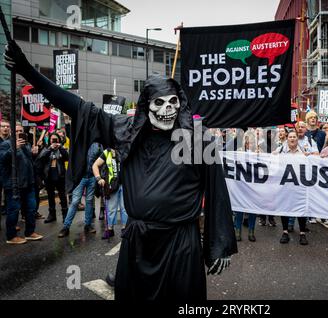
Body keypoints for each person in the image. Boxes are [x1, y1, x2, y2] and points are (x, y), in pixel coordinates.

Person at [5, 40, 237, 301]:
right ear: (146, 105)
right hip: (138, 244)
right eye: (159, 103)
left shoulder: (197, 139)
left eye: (173, 102)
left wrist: (219, 244)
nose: (167, 110)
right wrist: (27, 69)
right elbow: (77, 107)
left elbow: (217, 189)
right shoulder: (126, 132)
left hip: (180, 244)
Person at [0, 123, 43, 244]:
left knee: (31, 208)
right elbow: (2, 159)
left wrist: (34, 153)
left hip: (28, 183)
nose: (19, 133)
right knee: (13, 210)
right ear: (12, 133)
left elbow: (29, 163)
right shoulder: (5, 144)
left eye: (21, 131)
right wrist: (14, 148)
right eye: (17, 131)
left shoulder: (26, 145)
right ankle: (11, 236)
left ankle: (30, 232)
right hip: (14, 184)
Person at [58, 143, 102, 237]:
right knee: (75, 202)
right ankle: (66, 227)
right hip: (80, 178)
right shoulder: (79, 141)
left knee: (89, 201)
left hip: (92, 177)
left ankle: (88, 225)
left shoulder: (97, 145)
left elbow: (102, 158)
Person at [274, 130, 309, 245]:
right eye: (290, 137)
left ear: (297, 139)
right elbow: (272, 160)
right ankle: (285, 232)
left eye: (294, 137)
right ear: (287, 139)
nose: (292, 139)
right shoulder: (281, 151)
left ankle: (302, 233)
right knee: (285, 207)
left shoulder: (303, 152)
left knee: (301, 208)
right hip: (285, 185)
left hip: (300, 185)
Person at [92, 148, 128, 239]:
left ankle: (125, 229)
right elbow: (95, 165)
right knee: (111, 208)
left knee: (125, 208)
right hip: (112, 186)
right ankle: (110, 229)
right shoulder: (107, 152)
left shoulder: (125, 149)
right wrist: (99, 178)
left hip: (125, 184)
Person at [35, 133, 69, 223]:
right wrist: (50, 149)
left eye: (56, 139)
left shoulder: (61, 149)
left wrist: (61, 148)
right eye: (52, 139)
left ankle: (65, 215)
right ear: (49, 140)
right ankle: (52, 215)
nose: (54, 141)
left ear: (59, 140)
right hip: (48, 176)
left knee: (62, 196)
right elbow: (40, 158)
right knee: (50, 196)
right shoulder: (46, 149)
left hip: (60, 175)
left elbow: (67, 157)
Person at [234, 131, 258, 242]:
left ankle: (251, 231)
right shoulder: (239, 151)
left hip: (253, 184)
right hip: (241, 184)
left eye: (252, 141)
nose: (250, 143)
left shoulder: (259, 152)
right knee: (240, 208)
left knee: (252, 208)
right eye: (248, 140)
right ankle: (237, 231)